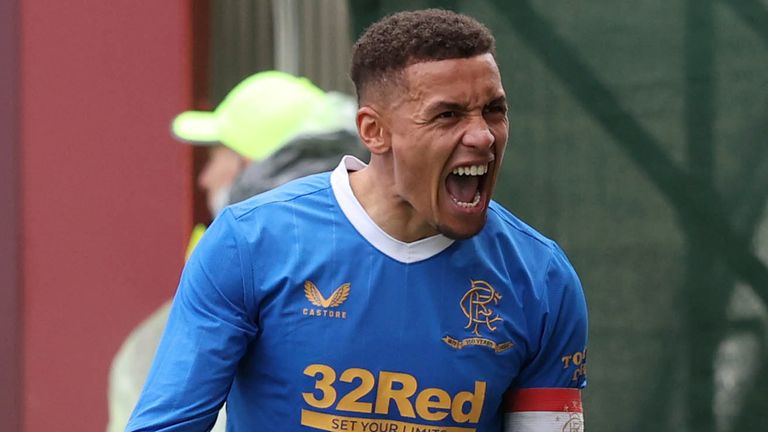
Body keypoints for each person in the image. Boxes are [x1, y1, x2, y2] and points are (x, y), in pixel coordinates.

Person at [127, 9, 588, 432]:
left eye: (494, 110)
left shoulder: (542, 279)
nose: (483, 135)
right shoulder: (248, 243)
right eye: (447, 115)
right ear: (374, 131)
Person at [108, 71, 363, 432]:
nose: (205, 178)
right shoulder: (398, 259)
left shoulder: (157, 338)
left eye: (218, 157)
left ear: (253, 167)